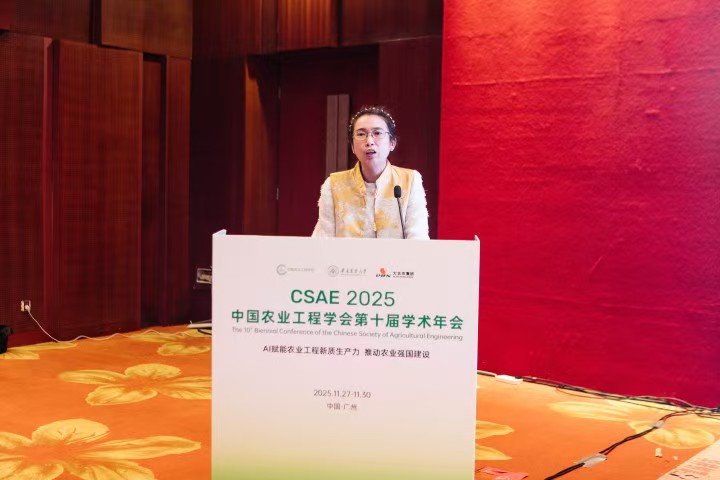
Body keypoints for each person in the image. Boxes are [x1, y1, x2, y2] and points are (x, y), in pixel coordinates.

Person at [311, 106, 430, 239]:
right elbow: (323, 240)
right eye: (361, 134)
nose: (369, 142)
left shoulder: (410, 181)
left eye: (377, 133)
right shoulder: (334, 185)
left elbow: (418, 238)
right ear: (352, 146)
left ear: (392, 143)